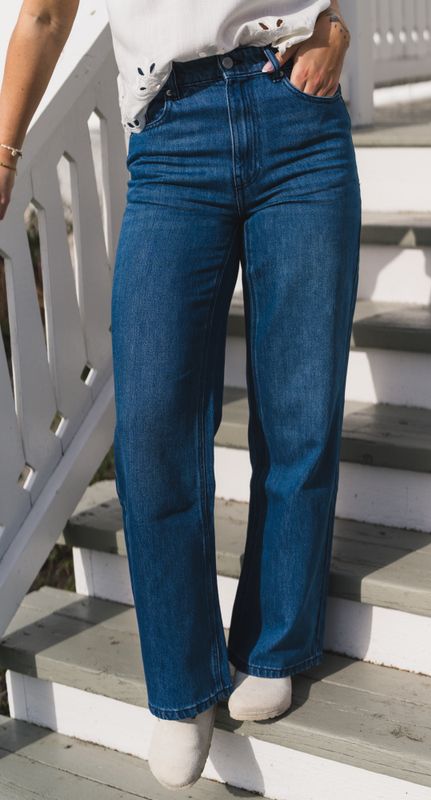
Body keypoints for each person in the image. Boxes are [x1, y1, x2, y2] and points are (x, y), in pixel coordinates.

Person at [0, 0, 361, 790]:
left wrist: (335, 22)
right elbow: (45, 15)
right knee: (154, 426)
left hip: (296, 111)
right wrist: (3, 148)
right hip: (171, 136)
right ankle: (180, 680)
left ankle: (273, 644)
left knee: (300, 405)